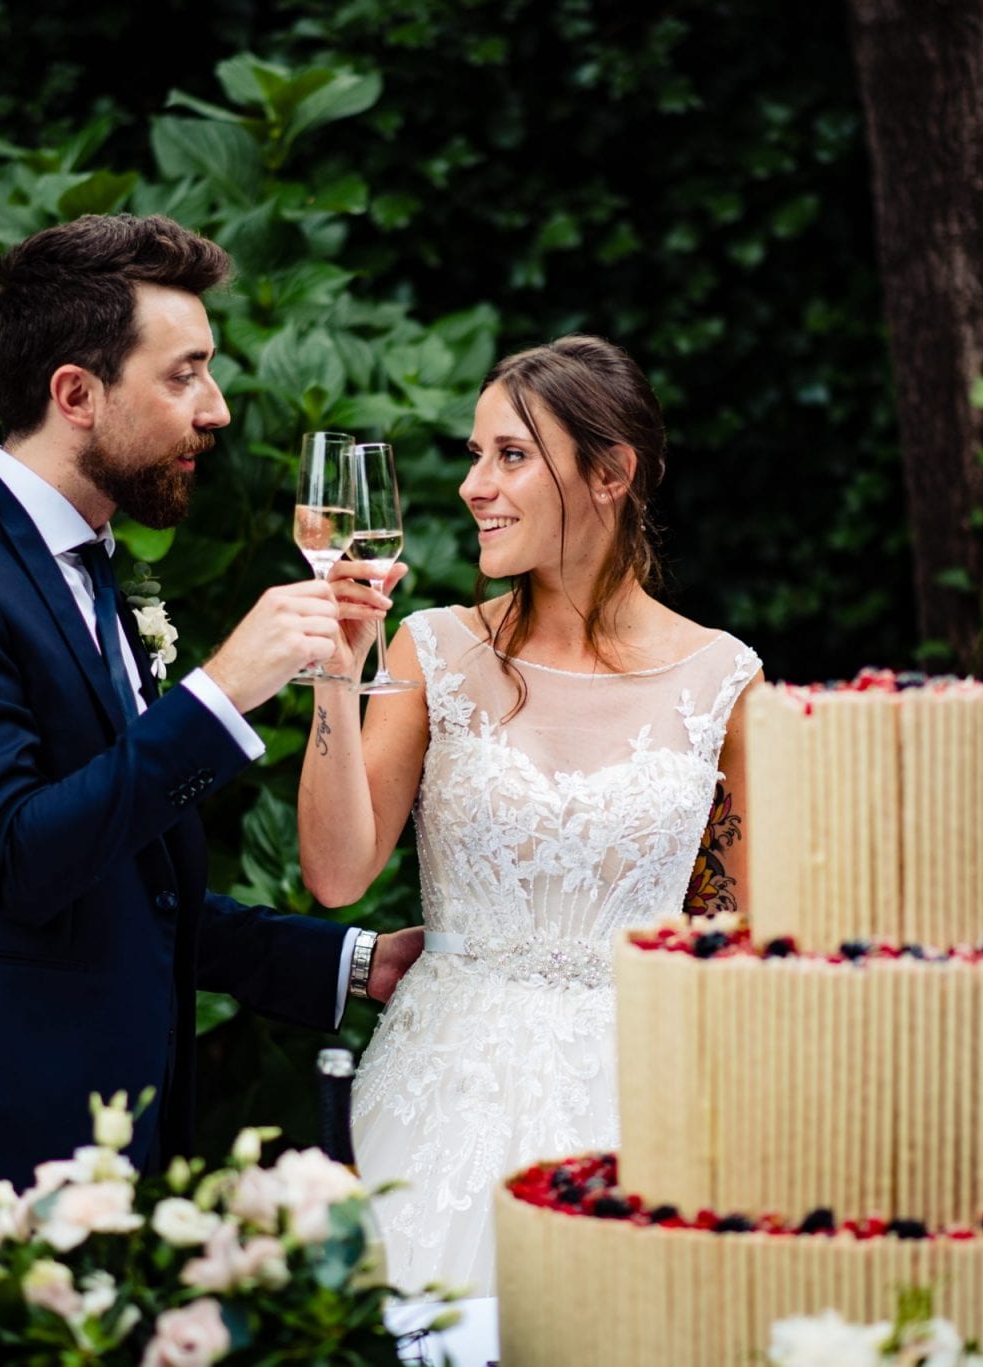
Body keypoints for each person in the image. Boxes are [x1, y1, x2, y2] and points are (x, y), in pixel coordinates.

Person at [0, 213, 420, 1250]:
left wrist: (351, 961)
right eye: (184, 375)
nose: (219, 410)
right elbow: (20, 854)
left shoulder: (98, 574)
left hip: (119, 1155)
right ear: (75, 394)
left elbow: (135, 885)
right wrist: (220, 692)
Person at [296, 335, 762, 1293]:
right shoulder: (432, 651)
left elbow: (750, 943)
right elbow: (336, 873)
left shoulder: (725, 680)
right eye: (475, 455)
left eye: (510, 455)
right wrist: (338, 673)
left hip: (645, 1103)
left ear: (610, 474)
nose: (474, 486)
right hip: (438, 1100)